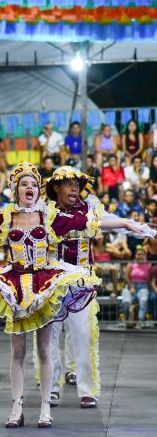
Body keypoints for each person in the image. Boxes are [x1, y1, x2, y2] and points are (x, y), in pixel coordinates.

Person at [0, 162, 138, 428]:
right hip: (15, 287)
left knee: (45, 348)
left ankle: (45, 409)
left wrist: (126, 222)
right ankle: (17, 408)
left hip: (43, 285)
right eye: (24, 183)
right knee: (17, 351)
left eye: (33, 183)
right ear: (16, 189)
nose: (30, 187)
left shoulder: (49, 216)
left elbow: (88, 220)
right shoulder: (5, 217)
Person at [41, 166, 154, 409]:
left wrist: (135, 226)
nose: (75, 188)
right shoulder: (46, 211)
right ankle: (50, 387)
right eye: (69, 183)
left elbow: (109, 223)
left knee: (84, 334)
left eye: (77, 184)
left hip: (81, 281)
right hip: (51, 282)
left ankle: (87, 389)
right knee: (48, 337)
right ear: (57, 187)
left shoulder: (89, 207)